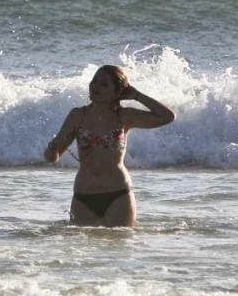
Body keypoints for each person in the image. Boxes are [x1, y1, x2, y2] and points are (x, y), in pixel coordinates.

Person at [44, 64, 175, 227]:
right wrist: (52, 148)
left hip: (118, 195)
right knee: (80, 248)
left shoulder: (124, 116)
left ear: (118, 92)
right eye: (94, 80)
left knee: (119, 248)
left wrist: (136, 95)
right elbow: (52, 158)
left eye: (104, 84)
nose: (95, 86)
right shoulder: (78, 116)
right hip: (83, 196)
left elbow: (167, 116)